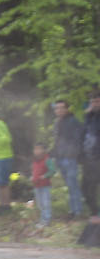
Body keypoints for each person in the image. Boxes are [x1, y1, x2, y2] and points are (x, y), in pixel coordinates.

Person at [48, 99, 86, 220]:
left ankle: (78, 211)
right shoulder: (57, 122)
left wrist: (72, 154)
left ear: (67, 109)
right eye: (57, 108)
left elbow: (78, 139)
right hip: (60, 158)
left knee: (73, 184)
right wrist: (53, 155)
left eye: (61, 108)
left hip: (70, 159)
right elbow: (57, 141)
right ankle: (72, 210)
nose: (59, 110)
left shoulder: (73, 121)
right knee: (69, 185)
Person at [83, 91, 100, 219]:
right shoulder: (90, 116)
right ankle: (95, 212)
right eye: (93, 102)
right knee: (86, 188)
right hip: (89, 158)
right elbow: (85, 133)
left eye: (97, 101)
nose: (94, 104)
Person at [31, 142, 53, 227]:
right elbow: (34, 171)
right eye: (35, 149)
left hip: (45, 185)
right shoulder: (35, 160)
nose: (37, 151)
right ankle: (42, 219)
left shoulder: (47, 160)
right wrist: (32, 177)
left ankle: (46, 220)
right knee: (40, 203)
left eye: (39, 149)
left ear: (44, 150)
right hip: (36, 185)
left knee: (45, 203)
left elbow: (52, 170)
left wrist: (45, 176)